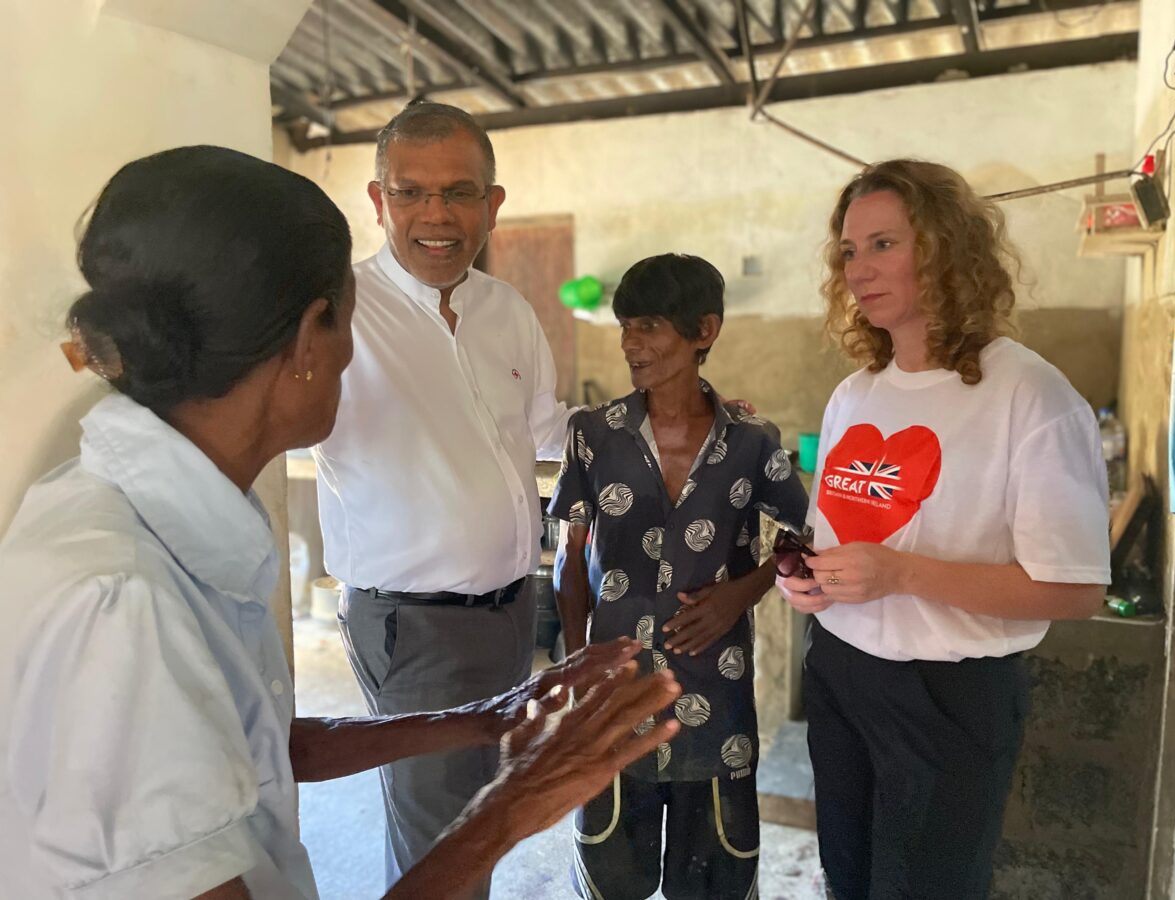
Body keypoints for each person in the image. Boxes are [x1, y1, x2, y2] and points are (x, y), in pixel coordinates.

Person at [0, 145, 682, 900]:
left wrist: (486, 719)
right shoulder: (123, 604)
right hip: (417, 616)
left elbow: (263, 747)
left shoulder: (153, 523)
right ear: (309, 338)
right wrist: (514, 807)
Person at [776, 159, 1110, 900]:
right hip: (840, 674)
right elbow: (834, 539)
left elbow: (1076, 589)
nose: (859, 269)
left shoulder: (1030, 394)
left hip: (947, 698)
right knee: (849, 880)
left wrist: (902, 574)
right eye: (849, 250)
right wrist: (809, 581)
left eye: (884, 244)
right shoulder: (854, 394)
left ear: (946, 249)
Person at [310, 100, 576, 894]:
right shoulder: (339, 312)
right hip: (414, 625)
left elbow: (547, 430)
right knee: (440, 842)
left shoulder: (507, 310)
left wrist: (662, 424)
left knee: (479, 816)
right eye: (410, 193)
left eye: (459, 192)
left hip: (511, 612)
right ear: (378, 200)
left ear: (492, 204)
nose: (436, 215)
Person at [551, 254, 809, 900]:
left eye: (648, 326)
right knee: (611, 883)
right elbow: (568, 558)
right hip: (615, 704)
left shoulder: (751, 440)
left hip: (716, 706)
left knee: (716, 884)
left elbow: (804, 533)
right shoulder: (593, 435)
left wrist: (741, 594)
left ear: (704, 331)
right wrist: (581, 669)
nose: (629, 344)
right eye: (625, 327)